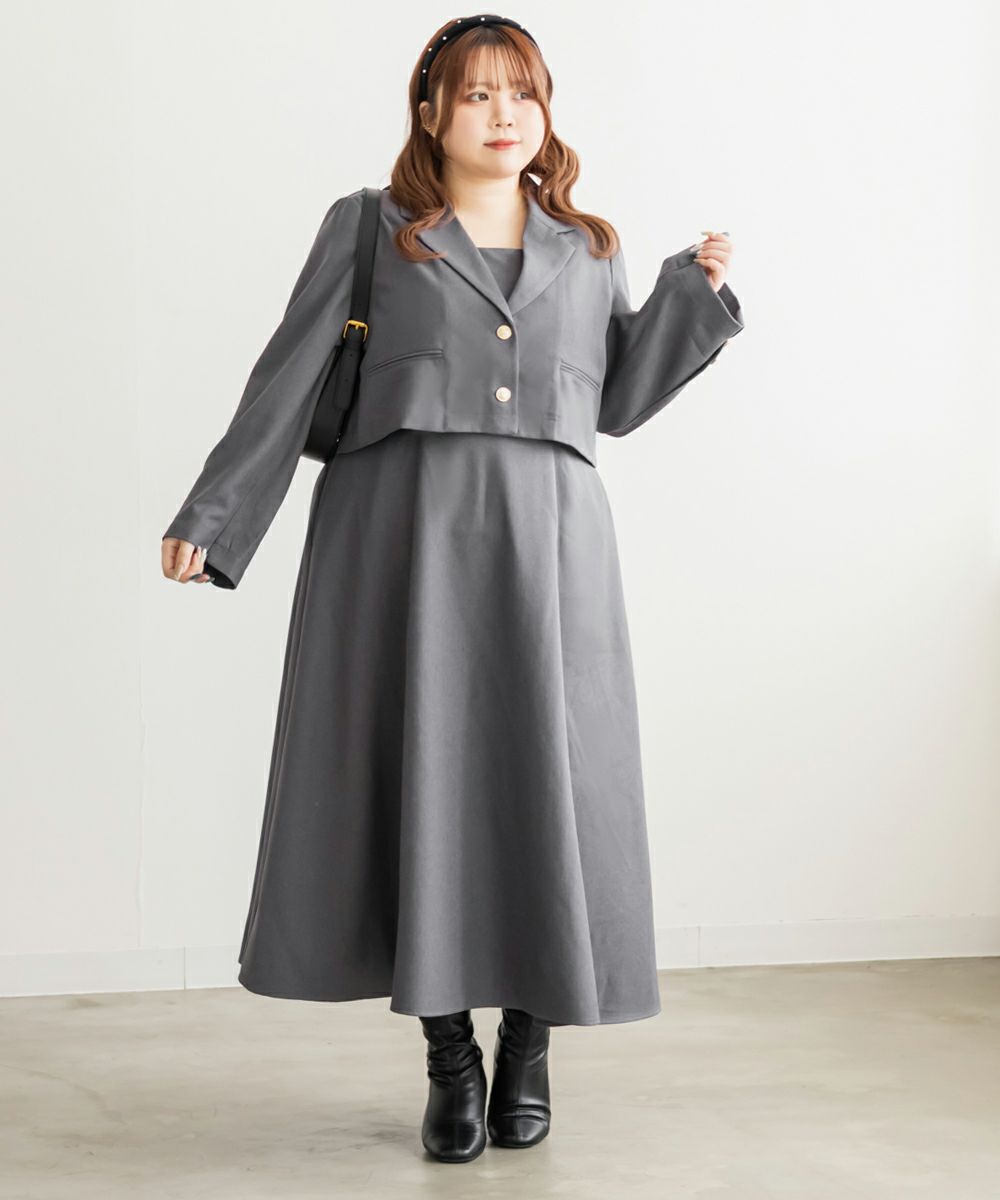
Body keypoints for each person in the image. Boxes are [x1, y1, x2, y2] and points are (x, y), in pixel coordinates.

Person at [160, 13, 744, 1164]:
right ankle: (447, 1055)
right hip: (399, 536)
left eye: (520, 93)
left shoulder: (590, 245)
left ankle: (528, 1044)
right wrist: (213, 515)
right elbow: (287, 378)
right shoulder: (371, 227)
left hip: (551, 549)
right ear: (430, 113)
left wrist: (692, 295)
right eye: (475, 94)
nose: (502, 115)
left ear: (545, 110)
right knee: (411, 774)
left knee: (549, 781)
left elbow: (616, 401)